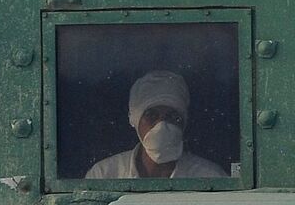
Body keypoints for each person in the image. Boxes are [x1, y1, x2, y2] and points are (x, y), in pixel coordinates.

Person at [86, 69, 225, 179]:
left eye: (172, 117)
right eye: (151, 115)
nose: (162, 125)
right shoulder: (104, 175)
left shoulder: (210, 177)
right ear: (134, 119)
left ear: (184, 122)